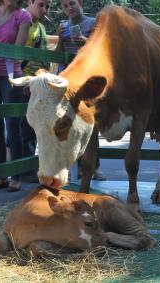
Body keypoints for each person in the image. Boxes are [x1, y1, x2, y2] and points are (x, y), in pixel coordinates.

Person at [0, 0, 31, 192]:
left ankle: (16, 176)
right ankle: (0, 176)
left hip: (11, 76)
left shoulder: (23, 16)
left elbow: (17, 51)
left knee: (13, 126)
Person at [56, 0, 105, 180]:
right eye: (65, 6)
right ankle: (72, 169)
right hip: (70, 81)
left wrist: (85, 41)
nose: (69, 8)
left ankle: (94, 168)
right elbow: (58, 53)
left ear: (81, 3)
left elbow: (99, 51)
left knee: (91, 127)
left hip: (89, 82)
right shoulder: (62, 25)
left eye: (72, 4)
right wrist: (61, 38)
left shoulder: (93, 23)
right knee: (70, 127)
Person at [20, 0, 51, 183]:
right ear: (30, 2)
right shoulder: (19, 20)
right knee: (17, 129)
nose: (44, 9)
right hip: (18, 81)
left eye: (47, 6)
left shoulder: (41, 28)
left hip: (35, 85)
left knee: (31, 128)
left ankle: (29, 169)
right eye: (41, 4)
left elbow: (44, 59)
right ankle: (18, 170)